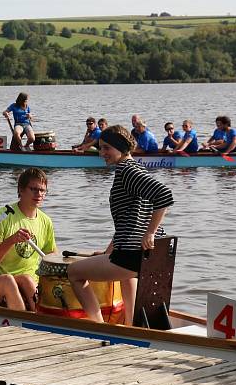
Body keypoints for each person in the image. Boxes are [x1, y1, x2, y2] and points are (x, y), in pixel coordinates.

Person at [67, 125, 173, 325]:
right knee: (126, 276)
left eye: (106, 148)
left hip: (132, 254)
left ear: (121, 148)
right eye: (100, 147)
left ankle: (98, 326)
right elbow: (129, 222)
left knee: (74, 273)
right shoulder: (137, 168)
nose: (101, 153)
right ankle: (131, 325)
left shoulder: (126, 171)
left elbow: (164, 196)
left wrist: (150, 233)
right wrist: (108, 252)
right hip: (151, 255)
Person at [0, 168, 57, 310]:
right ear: (21, 190)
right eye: (34, 189)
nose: (39, 194)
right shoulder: (2, 217)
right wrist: (11, 241)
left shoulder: (46, 221)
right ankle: (39, 317)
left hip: (34, 280)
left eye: (43, 191)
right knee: (26, 279)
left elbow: (52, 256)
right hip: (4, 279)